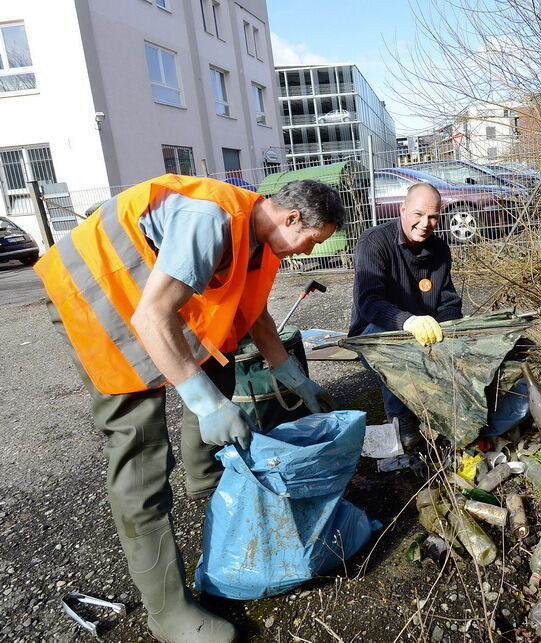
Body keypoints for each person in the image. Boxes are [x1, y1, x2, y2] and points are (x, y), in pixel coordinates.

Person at [35, 174, 344, 643]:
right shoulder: (211, 219)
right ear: (291, 217)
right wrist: (203, 403)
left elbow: (252, 311)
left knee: (216, 356)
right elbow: (151, 317)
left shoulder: (261, 240)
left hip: (150, 303)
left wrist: (292, 375)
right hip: (99, 300)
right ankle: (167, 611)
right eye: (309, 241)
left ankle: (205, 480)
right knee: (141, 447)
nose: (307, 252)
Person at [348, 182, 462, 446]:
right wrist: (407, 321)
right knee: (396, 345)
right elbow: (369, 302)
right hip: (375, 331)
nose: (425, 223)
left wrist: (449, 332)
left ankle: (447, 411)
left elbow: (448, 302)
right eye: (418, 214)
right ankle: (400, 418)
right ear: (402, 209)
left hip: (424, 330)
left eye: (433, 216)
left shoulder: (440, 250)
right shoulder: (374, 242)